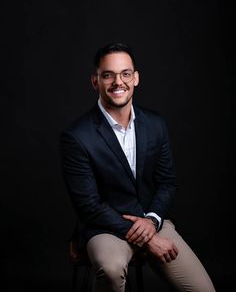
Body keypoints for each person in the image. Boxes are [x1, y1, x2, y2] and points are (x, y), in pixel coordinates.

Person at [60, 43, 216, 292]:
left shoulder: (155, 124)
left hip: (151, 220)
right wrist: (149, 238)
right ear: (95, 81)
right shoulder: (77, 136)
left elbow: (167, 182)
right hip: (106, 228)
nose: (117, 82)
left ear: (136, 78)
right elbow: (89, 205)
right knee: (110, 270)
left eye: (125, 74)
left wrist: (153, 221)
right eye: (108, 75)